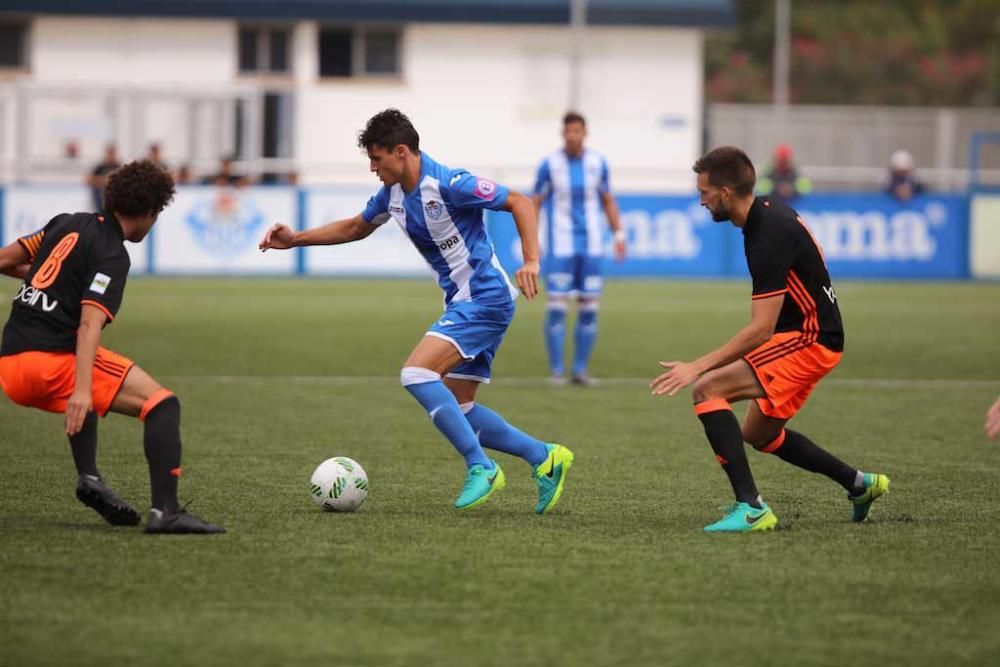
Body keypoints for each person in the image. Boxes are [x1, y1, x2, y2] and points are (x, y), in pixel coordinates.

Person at [259, 109, 574, 513]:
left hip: (484, 297)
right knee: (459, 406)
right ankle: (545, 459)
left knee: (417, 372)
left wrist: (531, 259)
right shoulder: (391, 195)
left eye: (377, 158)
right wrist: (296, 239)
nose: (373, 168)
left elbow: (520, 202)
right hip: (466, 302)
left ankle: (482, 466)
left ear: (402, 152)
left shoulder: (449, 184)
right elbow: (356, 227)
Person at [650, 146, 888, 533]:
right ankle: (859, 484)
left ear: (726, 192)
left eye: (704, 193)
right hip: (809, 333)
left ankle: (752, 507)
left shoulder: (767, 233)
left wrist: (696, 366)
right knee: (759, 435)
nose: (700, 201)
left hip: (810, 338)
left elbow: (761, 329)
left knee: (708, 389)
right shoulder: (764, 214)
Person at [0, 160, 224, 534]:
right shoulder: (112, 254)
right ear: (150, 212)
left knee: (90, 373)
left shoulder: (65, 222)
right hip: (48, 363)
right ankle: (165, 512)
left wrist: (49, 284)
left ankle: (89, 477)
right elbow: (89, 324)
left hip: (10, 366)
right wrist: (82, 392)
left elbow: (5, 260)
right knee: (162, 405)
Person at [532, 111, 624, 386]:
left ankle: (580, 370)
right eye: (568, 130)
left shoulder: (598, 163)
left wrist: (618, 233)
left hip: (592, 247)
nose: (572, 135)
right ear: (563, 133)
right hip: (560, 247)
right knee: (558, 307)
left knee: (588, 309)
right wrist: (532, 239)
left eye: (577, 130)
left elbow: (607, 200)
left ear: (585, 133)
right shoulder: (550, 164)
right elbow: (534, 201)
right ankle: (557, 371)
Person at [86, 143, 121, 211]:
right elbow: (88, 180)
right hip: (100, 197)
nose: (111, 156)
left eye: (112, 153)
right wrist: (103, 181)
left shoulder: (119, 167)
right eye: (109, 153)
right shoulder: (100, 167)